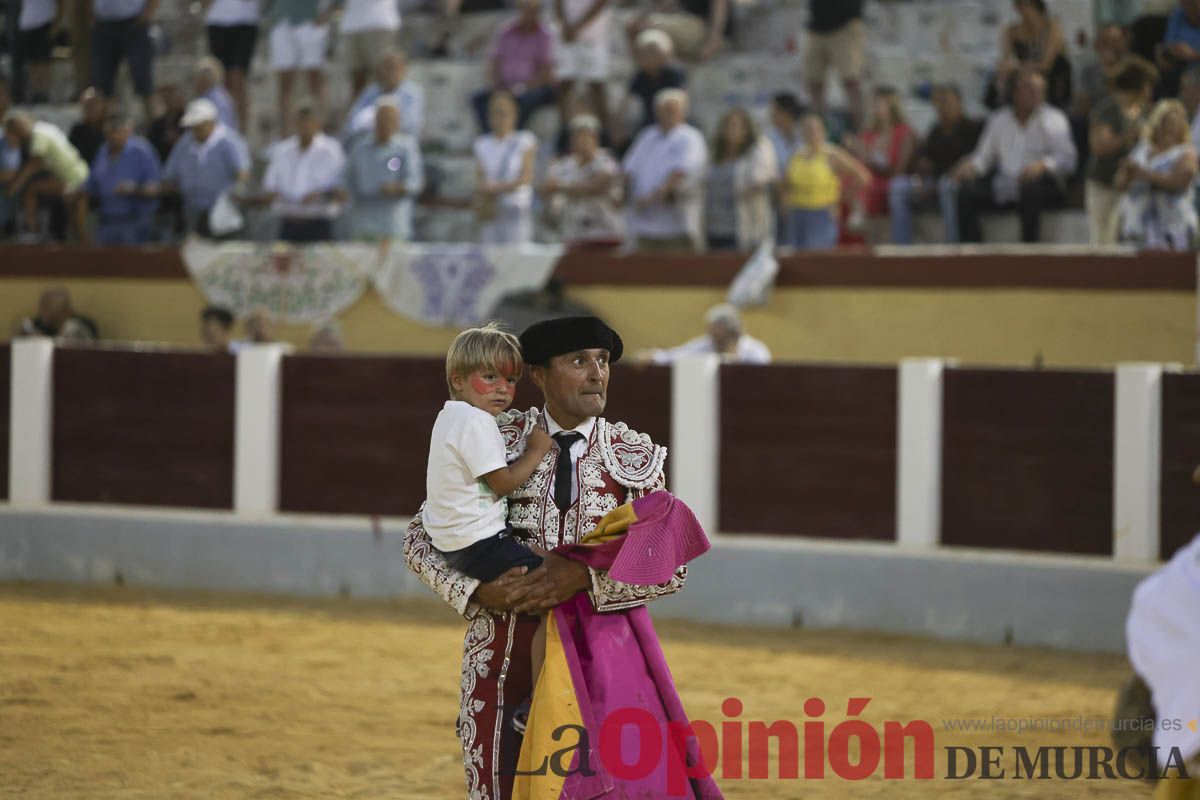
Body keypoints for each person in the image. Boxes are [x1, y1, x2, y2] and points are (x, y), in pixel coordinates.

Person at [403, 314, 685, 800]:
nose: (597, 374)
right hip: (503, 655)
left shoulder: (632, 456)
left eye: (602, 362)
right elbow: (419, 537)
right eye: (579, 361)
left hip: (601, 664)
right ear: (538, 375)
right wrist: (478, 588)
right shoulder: (495, 437)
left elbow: (670, 567)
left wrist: (583, 579)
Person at [425, 324, 556, 733]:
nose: (502, 389)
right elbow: (501, 483)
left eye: (511, 379)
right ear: (458, 380)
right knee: (554, 593)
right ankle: (535, 704)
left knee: (548, 564)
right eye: (491, 377)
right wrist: (536, 451)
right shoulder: (476, 422)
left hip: (453, 539)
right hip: (478, 542)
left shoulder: (450, 416)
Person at [951, 69, 1078, 244]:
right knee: (965, 193)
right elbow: (984, 157)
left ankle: (1028, 252)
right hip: (1006, 183)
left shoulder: (1054, 118)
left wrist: (1043, 165)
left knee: (1030, 190)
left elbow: (1068, 158)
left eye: (1040, 89)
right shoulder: (999, 119)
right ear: (1015, 92)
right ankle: (973, 252)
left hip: (1042, 185)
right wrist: (970, 167)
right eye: (1030, 89)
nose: (1036, 94)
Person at [888, 84, 984, 245]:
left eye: (947, 102)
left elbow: (976, 160)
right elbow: (924, 161)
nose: (942, 107)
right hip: (932, 181)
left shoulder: (973, 128)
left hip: (957, 182)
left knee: (947, 186)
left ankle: (952, 246)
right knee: (898, 187)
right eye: (939, 103)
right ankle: (902, 248)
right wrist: (919, 177)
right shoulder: (935, 130)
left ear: (959, 103)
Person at [622, 88, 708, 251]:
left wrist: (655, 195)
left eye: (673, 110)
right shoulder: (647, 136)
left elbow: (682, 170)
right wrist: (623, 194)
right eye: (664, 110)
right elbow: (629, 169)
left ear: (683, 112)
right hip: (644, 223)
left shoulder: (690, 137)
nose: (668, 114)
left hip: (676, 222)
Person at [1085, 55, 1156, 245]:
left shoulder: (1145, 111)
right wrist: (1129, 136)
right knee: (1103, 238)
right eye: (1147, 84)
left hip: (1132, 188)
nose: (1150, 90)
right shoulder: (1108, 109)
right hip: (1104, 184)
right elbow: (1098, 146)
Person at [1115, 98, 1199, 250]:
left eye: (1174, 123)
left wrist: (1144, 174)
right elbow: (1119, 184)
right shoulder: (1142, 149)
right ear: (1156, 124)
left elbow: (1179, 181)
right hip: (1138, 226)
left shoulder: (1186, 153)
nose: (1169, 128)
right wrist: (1127, 172)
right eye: (1165, 123)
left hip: (1174, 228)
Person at [162, 98, 251, 237]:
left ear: (211, 123)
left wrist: (236, 192)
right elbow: (170, 173)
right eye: (193, 126)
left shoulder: (230, 141)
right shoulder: (185, 143)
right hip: (192, 209)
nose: (195, 130)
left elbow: (242, 172)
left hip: (222, 211)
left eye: (199, 126)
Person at [780, 112, 870, 249]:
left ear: (823, 132)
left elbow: (862, 176)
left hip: (821, 212)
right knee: (796, 256)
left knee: (817, 256)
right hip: (797, 211)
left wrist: (844, 196)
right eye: (807, 130)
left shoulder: (831, 154)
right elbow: (786, 183)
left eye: (815, 130)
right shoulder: (796, 155)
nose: (812, 134)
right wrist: (785, 204)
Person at [261, 106, 348, 242]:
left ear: (317, 124)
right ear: (295, 124)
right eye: (301, 123)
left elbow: (342, 191)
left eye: (309, 122)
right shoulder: (282, 150)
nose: (305, 127)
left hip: (319, 222)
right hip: (289, 222)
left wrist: (321, 194)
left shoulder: (331, 151)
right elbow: (270, 187)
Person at [470, 0, 556, 133]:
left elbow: (546, 72)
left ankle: (514, 137)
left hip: (533, 88)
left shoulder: (545, 34)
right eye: (527, 11)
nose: (530, 15)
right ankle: (491, 136)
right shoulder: (506, 31)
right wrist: (497, 86)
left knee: (525, 100)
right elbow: (494, 62)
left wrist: (522, 87)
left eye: (534, 12)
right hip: (505, 86)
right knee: (478, 99)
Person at [3, 111, 91, 242]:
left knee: (31, 189)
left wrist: (14, 187)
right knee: (77, 226)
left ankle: (32, 233)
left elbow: (35, 163)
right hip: (77, 176)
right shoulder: (44, 128)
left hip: (74, 179)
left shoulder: (39, 135)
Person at [346, 98, 424, 241]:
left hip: (393, 226)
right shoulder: (359, 149)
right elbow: (347, 181)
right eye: (382, 118)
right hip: (364, 224)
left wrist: (399, 188)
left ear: (397, 121)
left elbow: (415, 182)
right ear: (375, 120)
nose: (386, 123)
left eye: (390, 119)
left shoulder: (406, 148)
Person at [541, 114, 623, 244]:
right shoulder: (565, 164)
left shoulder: (606, 160)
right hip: (573, 231)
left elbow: (595, 186)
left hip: (603, 230)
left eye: (585, 136)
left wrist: (561, 187)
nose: (580, 141)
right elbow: (545, 188)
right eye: (576, 136)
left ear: (595, 139)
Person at [704, 107, 777, 251]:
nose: (731, 130)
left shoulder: (758, 149)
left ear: (746, 129)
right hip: (713, 227)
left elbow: (763, 177)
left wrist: (752, 187)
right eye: (727, 125)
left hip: (742, 227)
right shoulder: (713, 153)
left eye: (735, 125)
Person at [84, 111, 162, 244]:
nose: (114, 136)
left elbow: (157, 188)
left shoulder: (142, 151)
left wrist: (133, 189)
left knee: (132, 263)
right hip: (107, 220)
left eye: (118, 131)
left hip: (135, 221)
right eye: (110, 132)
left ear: (128, 131)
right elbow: (93, 182)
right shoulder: (103, 151)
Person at [472, 92, 537, 244]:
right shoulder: (482, 143)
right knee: (491, 254)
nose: (500, 119)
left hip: (516, 207)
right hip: (493, 208)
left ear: (514, 115)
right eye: (495, 113)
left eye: (504, 113)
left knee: (517, 254)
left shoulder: (525, 140)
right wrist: (485, 190)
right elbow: (479, 177)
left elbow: (526, 177)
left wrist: (499, 188)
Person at [846, 86, 917, 221]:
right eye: (873, 105)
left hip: (889, 180)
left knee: (866, 184)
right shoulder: (868, 133)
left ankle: (859, 214)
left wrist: (870, 159)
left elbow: (899, 171)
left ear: (891, 106)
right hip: (868, 177)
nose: (874, 109)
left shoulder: (905, 133)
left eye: (878, 104)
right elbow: (859, 160)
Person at [991, 0, 1072, 110]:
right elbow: (1005, 59)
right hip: (1023, 74)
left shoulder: (1052, 27)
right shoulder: (1012, 31)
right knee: (1000, 78)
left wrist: (1017, 67)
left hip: (1051, 74)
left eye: (1025, 5)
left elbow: (1046, 64)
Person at [267, 0, 331, 136]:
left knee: (315, 80)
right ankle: (285, 134)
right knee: (285, 83)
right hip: (281, 20)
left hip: (310, 20)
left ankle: (319, 132)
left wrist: (326, 11)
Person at [615, 29, 685, 150]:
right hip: (649, 120)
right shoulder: (640, 76)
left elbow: (681, 101)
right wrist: (618, 125)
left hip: (672, 118)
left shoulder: (673, 74)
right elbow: (626, 104)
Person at [91, 0, 157, 121]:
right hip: (103, 24)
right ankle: (103, 130)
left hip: (134, 23)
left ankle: (155, 126)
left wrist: (147, 14)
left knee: (143, 80)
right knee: (102, 84)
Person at [342, 51, 424, 144]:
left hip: (399, 144)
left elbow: (410, 125)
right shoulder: (370, 92)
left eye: (395, 67)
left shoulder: (412, 94)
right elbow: (353, 119)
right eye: (388, 67)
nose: (392, 72)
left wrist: (384, 126)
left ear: (404, 69)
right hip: (369, 142)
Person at [202, 0, 259, 135]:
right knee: (221, 83)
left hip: (245, 22)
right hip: (216, 22)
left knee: (238, 78)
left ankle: (242, 135)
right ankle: (224, 131)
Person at [554, 0, 611, 134]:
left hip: (592, 37)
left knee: (596, 85)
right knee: (565, 85)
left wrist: (577, 27)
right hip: (567, 36)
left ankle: (604, 134)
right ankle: (565, 135)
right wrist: (564, 25)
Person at [805, 0, 866, 126]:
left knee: (851, 83)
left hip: (845, 25)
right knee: (814, 83)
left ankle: (860, 132)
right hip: (818, 26)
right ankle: (817, 132)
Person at [647, 303, 771, 364]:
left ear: (731, 330)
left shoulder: (754, 349)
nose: (711, 333)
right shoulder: (706, 344)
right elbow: (677, 355)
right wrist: (654, 356)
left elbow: (763, 372)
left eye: (716, 328)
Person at [330, 0, 401, 100]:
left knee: (382, 78)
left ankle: (385, 112)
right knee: (356, 80)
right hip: (352, 25)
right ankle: (359, 113)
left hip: (379, 23)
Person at [625, 0, 730, 63]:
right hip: (683, 20)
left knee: (650, 27)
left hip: (700, 25)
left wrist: (713, 39)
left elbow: (720, 6)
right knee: (635, 28)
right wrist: (642, 18)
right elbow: (669, 5)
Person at [17, 0, 62, 103]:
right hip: (26, 25)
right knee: (32, 63)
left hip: (44, 23)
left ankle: (44, 94)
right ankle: (35, 94)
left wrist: (57, 24)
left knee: (44, 62)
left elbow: (60, 3)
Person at [18, 287, 99, 338]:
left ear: (64, 310)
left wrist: (42, 340)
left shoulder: (83, 325)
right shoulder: (38, 324)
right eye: (42, 307)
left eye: (48, 308)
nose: (43, 313)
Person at [1159, 0, 1200, 97]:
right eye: (1185, 2)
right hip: (1178, 65)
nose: (1187, 5)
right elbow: (1169, 43)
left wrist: (1193, 55)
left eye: (1192, 3)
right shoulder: (1178, 13)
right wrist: (1177, 51)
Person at [194, 57, 239, 132]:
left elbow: (221, 129)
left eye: (197, 78)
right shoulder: (215, 95)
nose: (195, 83)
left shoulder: (217, 99)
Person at [68, 88, 108, 167]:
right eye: (87, 105)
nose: (91, 108)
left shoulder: (111, 129)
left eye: (95, 103)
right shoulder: (77, 131)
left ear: (103, 105)